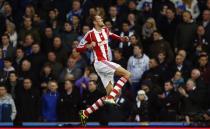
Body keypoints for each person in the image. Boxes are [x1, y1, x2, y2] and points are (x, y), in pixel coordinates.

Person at [76, 15, 131, 126]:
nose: (102, 20)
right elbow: (78, 48)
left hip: (104, 64)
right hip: (100, 62)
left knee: (111, 95)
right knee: (127, 73)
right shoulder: (90, 34)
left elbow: (112, 35)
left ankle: (85, 112)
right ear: (95, 22)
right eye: (99, 19)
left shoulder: (105, 30)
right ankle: (110, 98)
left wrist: (122, 39)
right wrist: (88, 46)